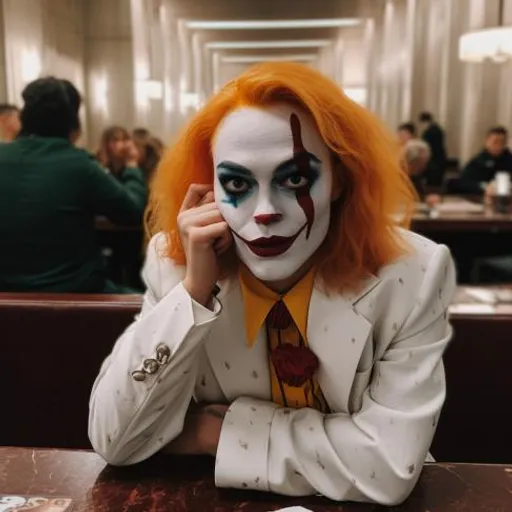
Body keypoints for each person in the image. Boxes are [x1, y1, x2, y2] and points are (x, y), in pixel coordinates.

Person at [88, 62, 455, 505]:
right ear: (210, 188)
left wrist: (217, 433)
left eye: (294, 178)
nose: (264, 211)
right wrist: (192, 294)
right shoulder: (181, 264)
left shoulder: (411, 274)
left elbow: (388, 469)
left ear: (339, 180)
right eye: (238, 182)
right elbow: (116, 439)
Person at [0, 77, 147, 293]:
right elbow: (132, 211)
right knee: (154, 310)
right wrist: (132, 167)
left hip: (7, 294)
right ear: (72, 121)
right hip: (74, 291)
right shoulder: (79, 164)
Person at [456, 126, 512, 195]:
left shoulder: (509, 159)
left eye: (502, 142)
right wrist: (484, 186)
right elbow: (463, 183)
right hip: (481, 197)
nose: (499, 146)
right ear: (487, 142)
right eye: (495, 142)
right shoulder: (478, 161)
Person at [419, 112, 447, 186]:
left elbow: (425, 145)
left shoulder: (429, 132)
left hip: (433, 161)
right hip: (440, 159)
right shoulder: (438, 129)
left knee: (432, 183)